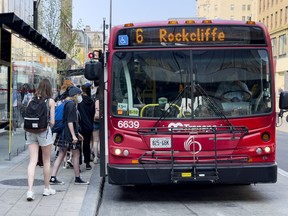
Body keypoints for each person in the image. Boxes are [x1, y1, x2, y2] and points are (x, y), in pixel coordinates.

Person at [49, 86, 89, 185]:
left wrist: (77, 133)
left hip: (63, 133)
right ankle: (77, 177)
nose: (80, 97)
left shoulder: (65, 102)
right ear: (75, 95)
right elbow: (70, 121)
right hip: (69, 135)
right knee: (76, 155)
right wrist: (74, 135)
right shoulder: (71, 104)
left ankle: (53, 177)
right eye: (79, 94)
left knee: (61, 154)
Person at [26, 78, 56, 201]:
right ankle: (47, 188)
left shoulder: (31, 100)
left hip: (30, 132)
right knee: (46, 160)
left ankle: (30, 191)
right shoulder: (50, 101)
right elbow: (53, 122)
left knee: (32, 161)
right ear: (49, 88)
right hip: (44, 131)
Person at [78, 84, 95, 170]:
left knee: (78, 145)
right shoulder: (92, 101)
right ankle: (87, 163)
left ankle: (79, 163)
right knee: (87, 144)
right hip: (89, 125)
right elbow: (93, 114)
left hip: (80, 126)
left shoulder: (79, 101)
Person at [91, 80, 100, 164]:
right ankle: (100, 153)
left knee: (95, 140)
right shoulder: (102, 99)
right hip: (102, 120)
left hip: (95, 120)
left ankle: (95, 157)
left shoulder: (93, 97)